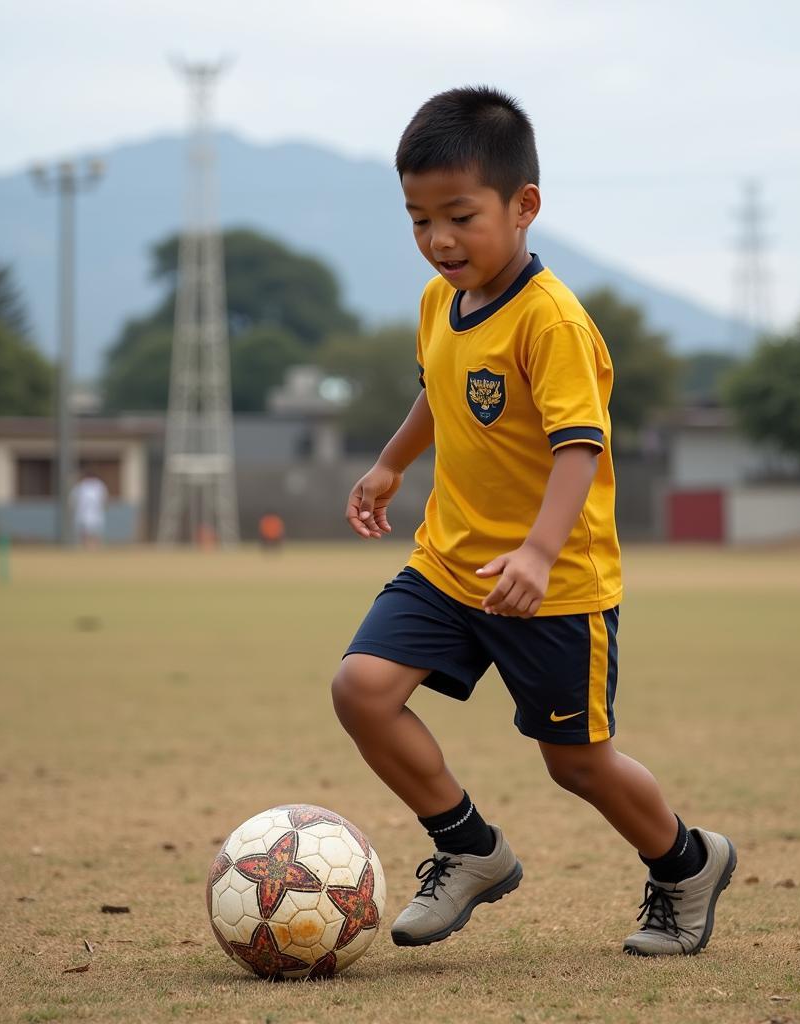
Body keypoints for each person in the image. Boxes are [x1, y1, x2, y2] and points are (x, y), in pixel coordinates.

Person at [331, 87, 736, 957]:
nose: (439, 240)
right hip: (449, 563)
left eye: (460, 216)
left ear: (524, 207)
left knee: (576, 764)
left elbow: (579, 449)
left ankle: (686, 863)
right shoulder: (442, 301)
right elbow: (439, 392)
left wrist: (540, 552)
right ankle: (468, 848)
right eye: (418, 219)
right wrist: (393, 461)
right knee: (361, 690)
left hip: (554, 583)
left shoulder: (552, 322)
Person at [70, 473, 108, 549]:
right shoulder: (81, 485)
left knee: (96, 530)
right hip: (83, 512)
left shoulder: (98, 485)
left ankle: (96, 546)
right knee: (84, 530)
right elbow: (73, 498)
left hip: (96, 512)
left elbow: (104, 498)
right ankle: (85, 546)